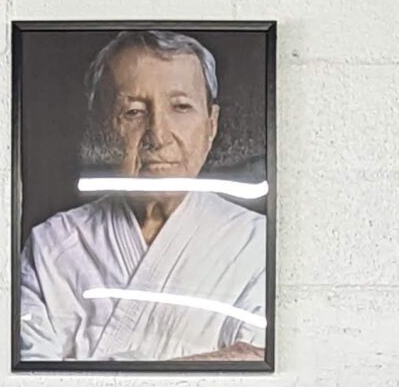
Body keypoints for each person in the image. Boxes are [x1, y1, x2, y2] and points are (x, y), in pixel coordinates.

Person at [17, 28, 267, 364]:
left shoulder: (256, 243)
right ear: (103, 127)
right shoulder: (51, 246)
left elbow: (254, 380)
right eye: (134, 111)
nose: (158, 135)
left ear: (211, 125)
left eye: (181, 107)